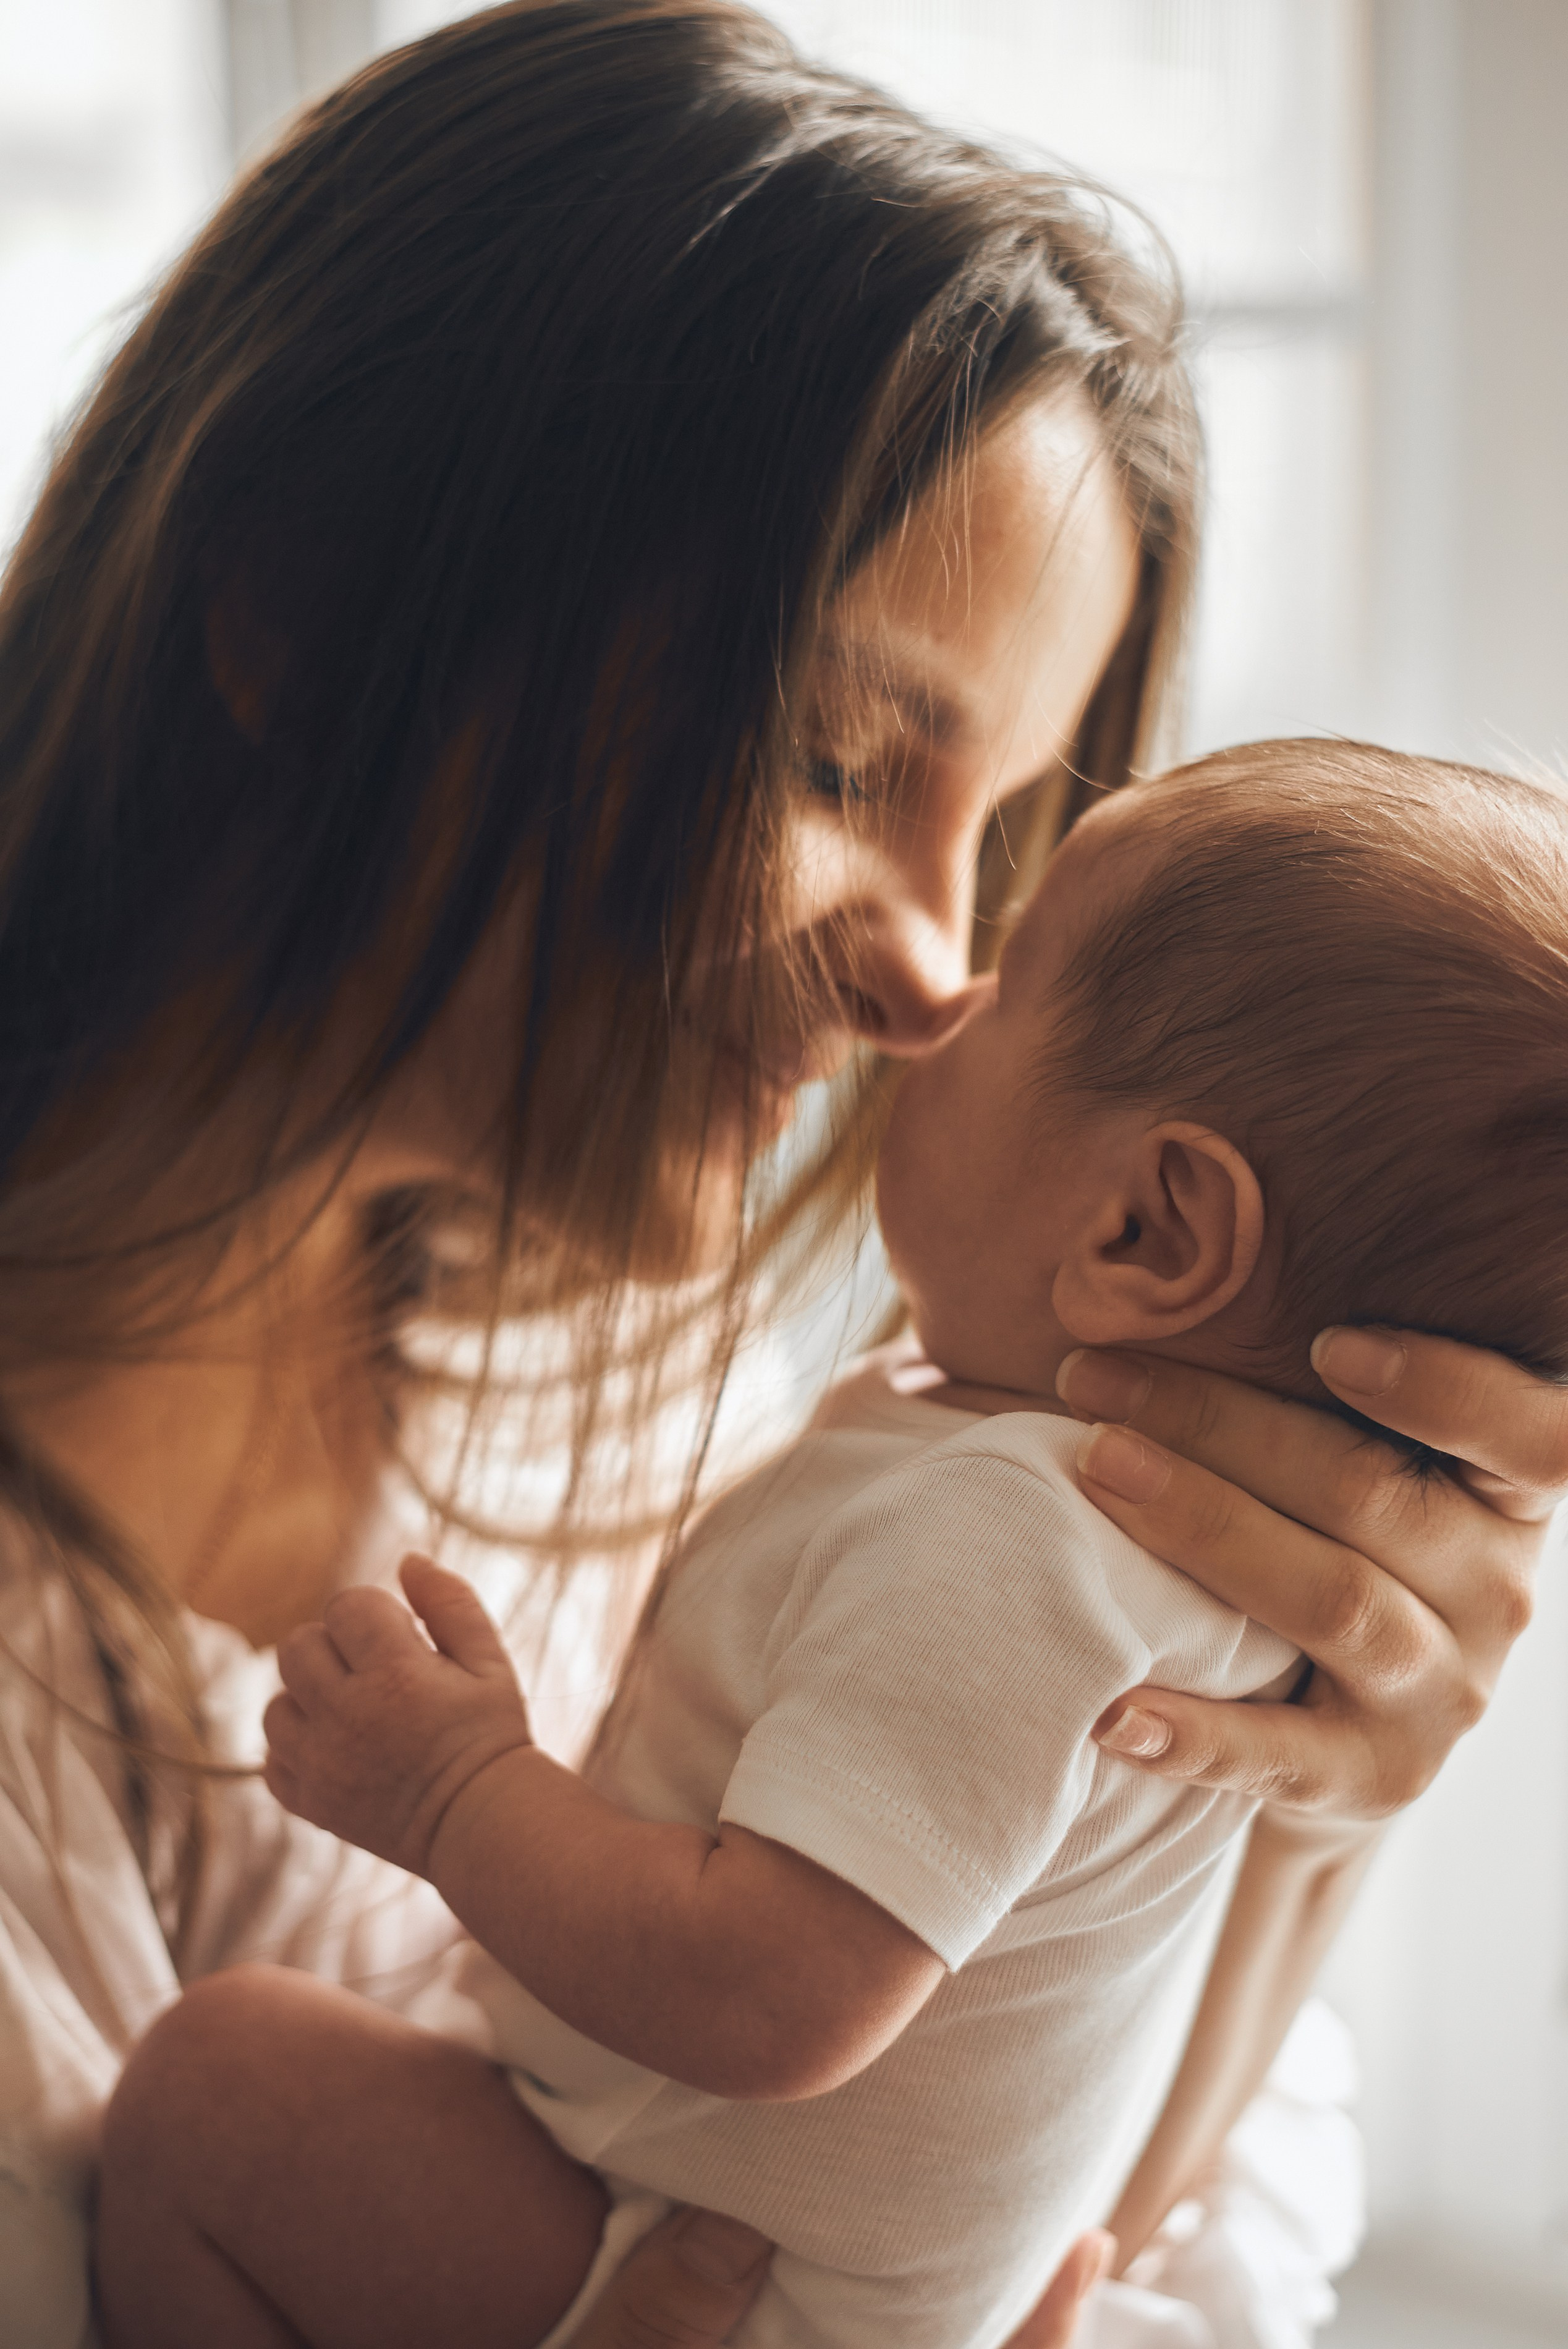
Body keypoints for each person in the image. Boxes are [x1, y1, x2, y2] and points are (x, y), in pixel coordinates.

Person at [0, 4, 1554, 2342]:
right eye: (839, 756)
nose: (934, 975)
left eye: (1006, 840)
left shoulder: (684, 1448)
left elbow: (1063, 2232)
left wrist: (1295, 1812)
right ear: (305, 616)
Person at [91, 739, 1568, 2349]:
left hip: (708, 2273)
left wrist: (454, 1793)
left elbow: (766, 1997)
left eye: (1010, 972)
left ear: (1143, 1228)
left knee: (221, 2093)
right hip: (786, 2262)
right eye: (838, 767)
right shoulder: (1153, 1553)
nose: (936, 991)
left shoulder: (1014, 1535)